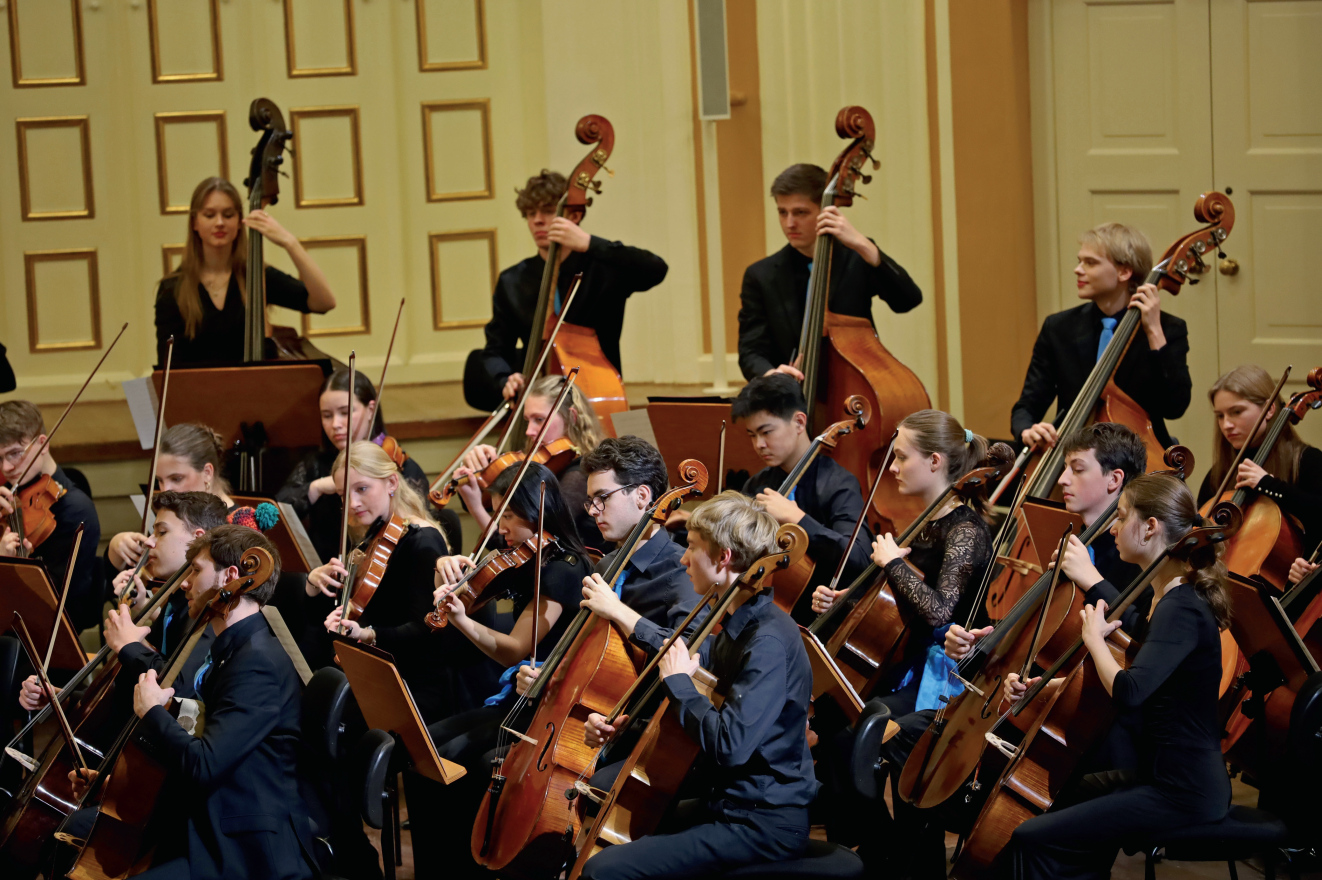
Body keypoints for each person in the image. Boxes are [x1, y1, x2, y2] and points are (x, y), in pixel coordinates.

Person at [578, 491, 817, 880]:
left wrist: (679, 684)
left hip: (761, 823)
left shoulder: (768, 641)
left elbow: (731, 745)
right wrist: (626, 729)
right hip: (727, 803)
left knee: (605, 870)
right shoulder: (736, 624)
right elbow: (695, 679)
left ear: (723, 558)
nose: (683, 558)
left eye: (691, 547)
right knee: (611, 807)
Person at [1004, 473, 1231, 879]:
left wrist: (1093, 637)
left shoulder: (1181, 608)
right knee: (1057, 797)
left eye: (1121, 516)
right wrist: (1045, 687)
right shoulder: (1166, 599)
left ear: (1150, 527)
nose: (1111, 526)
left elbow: (1129, 691)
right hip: (1158, 774)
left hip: (1182, 790)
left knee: (1031, 836)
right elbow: (1129, 678)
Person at [87, 524, 319, 879]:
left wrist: (152, 710)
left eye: (195, 570)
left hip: (244, 848)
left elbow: (205, 764)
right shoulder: (231, 648)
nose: (184, 582)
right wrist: (120, 788)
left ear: (230, 576)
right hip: (207, 821)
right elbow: (200, 737)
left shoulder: (257, 662)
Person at [407, 464, 591, 880]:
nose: (498, 526)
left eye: (507, 515)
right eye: (496, 513)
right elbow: (469, 610)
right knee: (422, 750)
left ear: (534, 510)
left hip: (542, 706)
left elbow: (513, 650)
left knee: (453, 759)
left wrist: (462, 619)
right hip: (516, 695)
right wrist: (448, 578)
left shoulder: (561, 568)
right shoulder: (523, 560)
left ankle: (463, 866)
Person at [18, 492, 229, 751]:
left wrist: (130, 646)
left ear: (197, 539)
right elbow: (123, 697)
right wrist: (62, 698)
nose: (149, 542)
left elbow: (181, 691)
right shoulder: (174, 602)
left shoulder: (210, 609)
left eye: (161, 532)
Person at [462, 170, 668, 412]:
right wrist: (504, 379)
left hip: (600, 396)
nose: (537, 220)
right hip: (540, 404)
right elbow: (495, 350)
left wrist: (590, 243)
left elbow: (656, 269)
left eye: (548, 211)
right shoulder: (513, 280)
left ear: (575, 216)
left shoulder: (604, 269)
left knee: (635, 443)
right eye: (530, 213)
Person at [513, 435, 699, 700]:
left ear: (642, 496)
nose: (592, 511)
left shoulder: (681, 570)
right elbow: (583, 652)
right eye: (590, 500)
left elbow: (688, 651)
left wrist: (618, 611)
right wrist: (546, 674)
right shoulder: (606, 564)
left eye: (603, 497)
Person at [1012, 222, 1191, 451]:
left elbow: (1175, 407)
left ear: (1124, 272)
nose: (1078, 269)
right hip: (1072, 455)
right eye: (1080, 261)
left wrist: (1154, 332)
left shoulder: (1167, 328)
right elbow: (1027, 406)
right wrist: (1027, 430)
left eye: (1090, 263)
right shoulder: (1058, 328)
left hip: (1141, 456)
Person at [736, 163, 922, 381]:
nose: (790, 223)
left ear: (827, 211)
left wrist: (863, 245)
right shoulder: (761, 275)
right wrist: (772, 375)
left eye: (800, 212)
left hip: (853, 391)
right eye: (782, 212)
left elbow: (907, 300)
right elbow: (750, 351)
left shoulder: (857, 257)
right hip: (791, 401)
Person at [716, 373, 872, 621]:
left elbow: (859, 558)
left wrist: (799, 519)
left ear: (799, 423)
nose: (759, 444)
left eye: (766, 432)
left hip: (816, 617)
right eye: (752, 435)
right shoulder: (757, 484)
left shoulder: (839, 484)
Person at [314, 441, 453, 719]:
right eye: (344, 494)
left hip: (411, 688)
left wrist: (367, 635)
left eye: (362, 489)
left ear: (391, 482)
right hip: (377, 674)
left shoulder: (422, 542)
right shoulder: (373, 536)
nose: (352, 503)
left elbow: (426, 631)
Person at [277, 366, 462, 559]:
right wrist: (316, 487)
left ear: (370, 410)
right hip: (327, 575)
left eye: (345, 412)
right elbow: (275, 515)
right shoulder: (315, 464)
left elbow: (418, 537)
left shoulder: (397, 465)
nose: (335, 424)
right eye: (327, 415)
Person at [154, 176, 336, 366]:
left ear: (240, 221)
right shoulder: (172, 288)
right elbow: (168, 368)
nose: (219, 223)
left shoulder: (257, 276)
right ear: (195, 223)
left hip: (256, 390)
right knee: (139, 393)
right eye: (209, 215)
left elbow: (324, 302)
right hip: (198, 392)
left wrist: (289, 242)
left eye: (228, 214)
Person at [453, 374, 609, 554]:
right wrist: (479, 473)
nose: (529, 431)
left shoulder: (580, 474)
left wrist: (476, 508)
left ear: (572, 418)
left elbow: (526, 547)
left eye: (539, 420)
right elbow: (491, 502)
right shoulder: (542, 465)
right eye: (528, 420)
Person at [1198, 364, 1322, 556]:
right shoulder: (1220, 472)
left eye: (1236, 412)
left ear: (1269, 409)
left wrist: (1268, 484)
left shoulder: (1307, 460)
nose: (1226, 425)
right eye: (1220, 416)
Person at [0, 400, 102, 631]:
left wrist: (7, 564)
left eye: (15, 454)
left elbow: (53, 606)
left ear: (42, 444)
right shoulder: (9, 497)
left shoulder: (75, 511)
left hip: (38, 643)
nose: (6, 467)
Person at [105, 423, 236, 574]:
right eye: (160, 480)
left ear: (207, 472)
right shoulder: (171, 512)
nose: (164, 490)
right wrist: (117, 547)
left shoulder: (239, 526)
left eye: (177, 478)